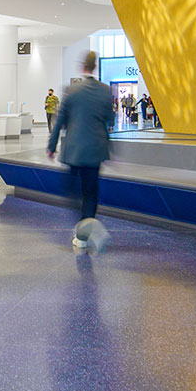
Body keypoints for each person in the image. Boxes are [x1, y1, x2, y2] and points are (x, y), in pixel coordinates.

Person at [49, 51, 114, 253]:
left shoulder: (72, 90)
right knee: (91, 192)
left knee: (71, 189)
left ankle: (83, 225)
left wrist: (52, 146)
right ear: (95, 67)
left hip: (74, 150)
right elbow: (110, 121)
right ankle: (84, 231)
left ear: (82, 67)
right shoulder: (105, 91)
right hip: (96, 149)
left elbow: (59, 121)